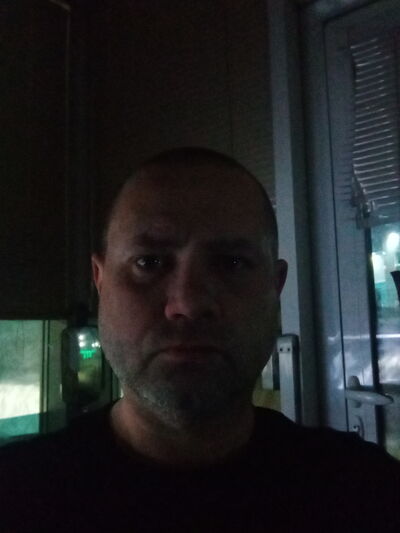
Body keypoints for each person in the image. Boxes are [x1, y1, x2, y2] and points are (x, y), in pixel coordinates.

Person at [1, 147, 399, 532]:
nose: (188, 304)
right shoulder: (16, 495)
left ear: (275, 288)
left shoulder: (367, 492)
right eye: (149, 262)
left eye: (232, 263)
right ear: (99, 281)